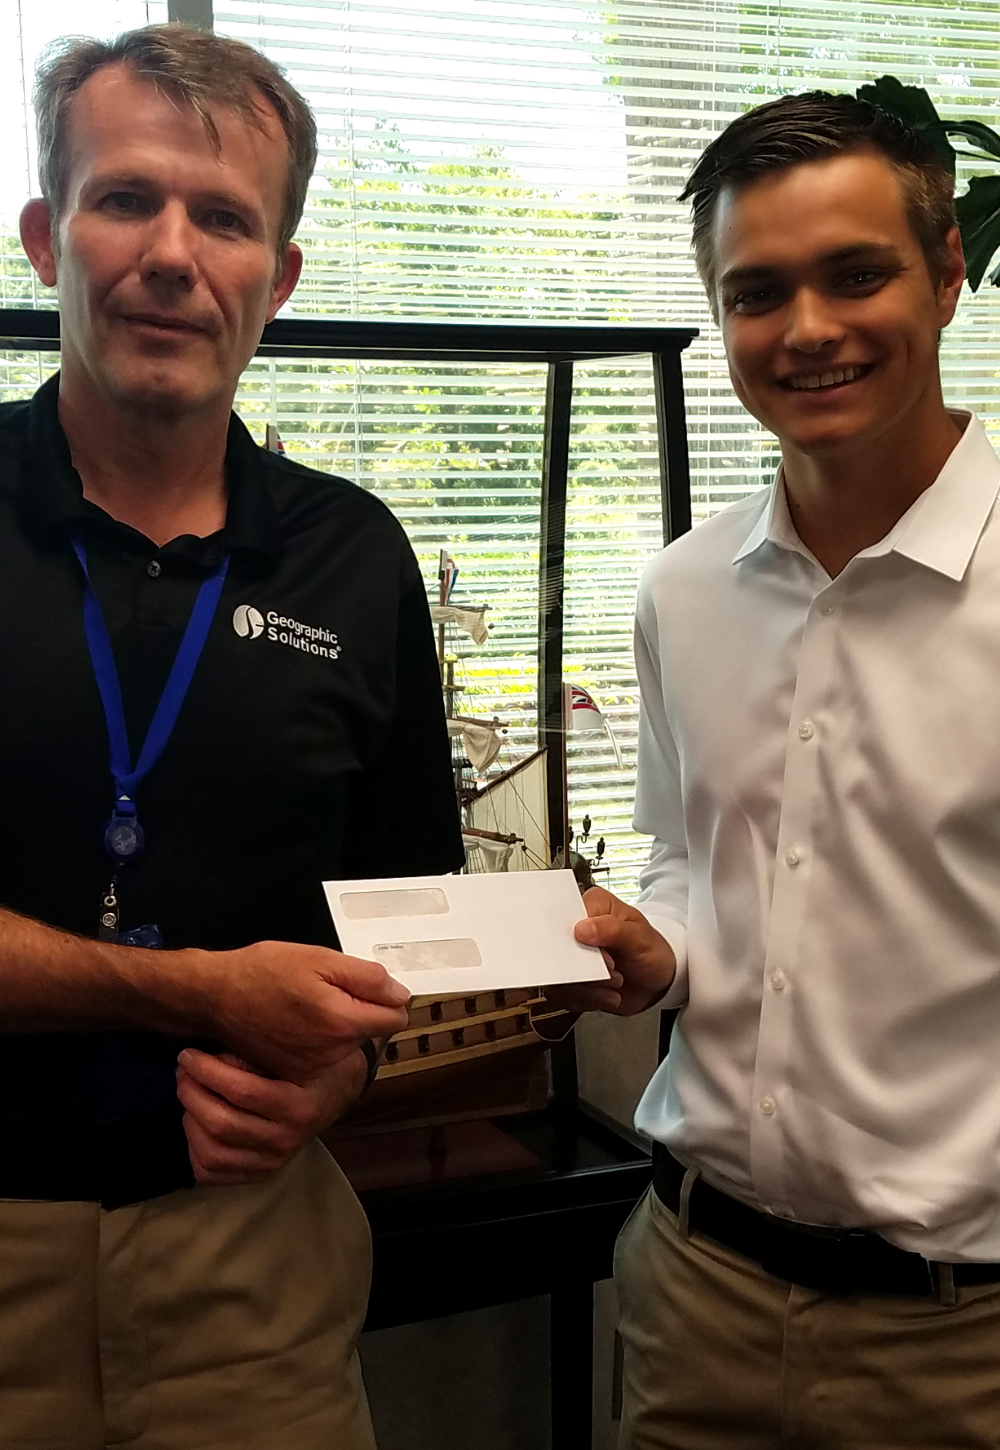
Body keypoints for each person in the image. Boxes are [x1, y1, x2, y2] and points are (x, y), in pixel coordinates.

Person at [1, 22, 462, 1450]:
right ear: (44, 236)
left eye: (226, 218)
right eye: (126, 197)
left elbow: (416, 930)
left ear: (281, 277)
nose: (171, 253)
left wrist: (344, 1068)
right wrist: (200, 994)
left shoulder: (353, 555)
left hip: (251, 1274)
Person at [558, 91, 1000, 1448]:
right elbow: (690, 858)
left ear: (947, 274)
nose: (806, 329)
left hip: (960, 1341)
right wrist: (661, 947)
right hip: (696, 1290)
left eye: (855, 273)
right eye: (756, 292)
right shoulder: (685, 590)